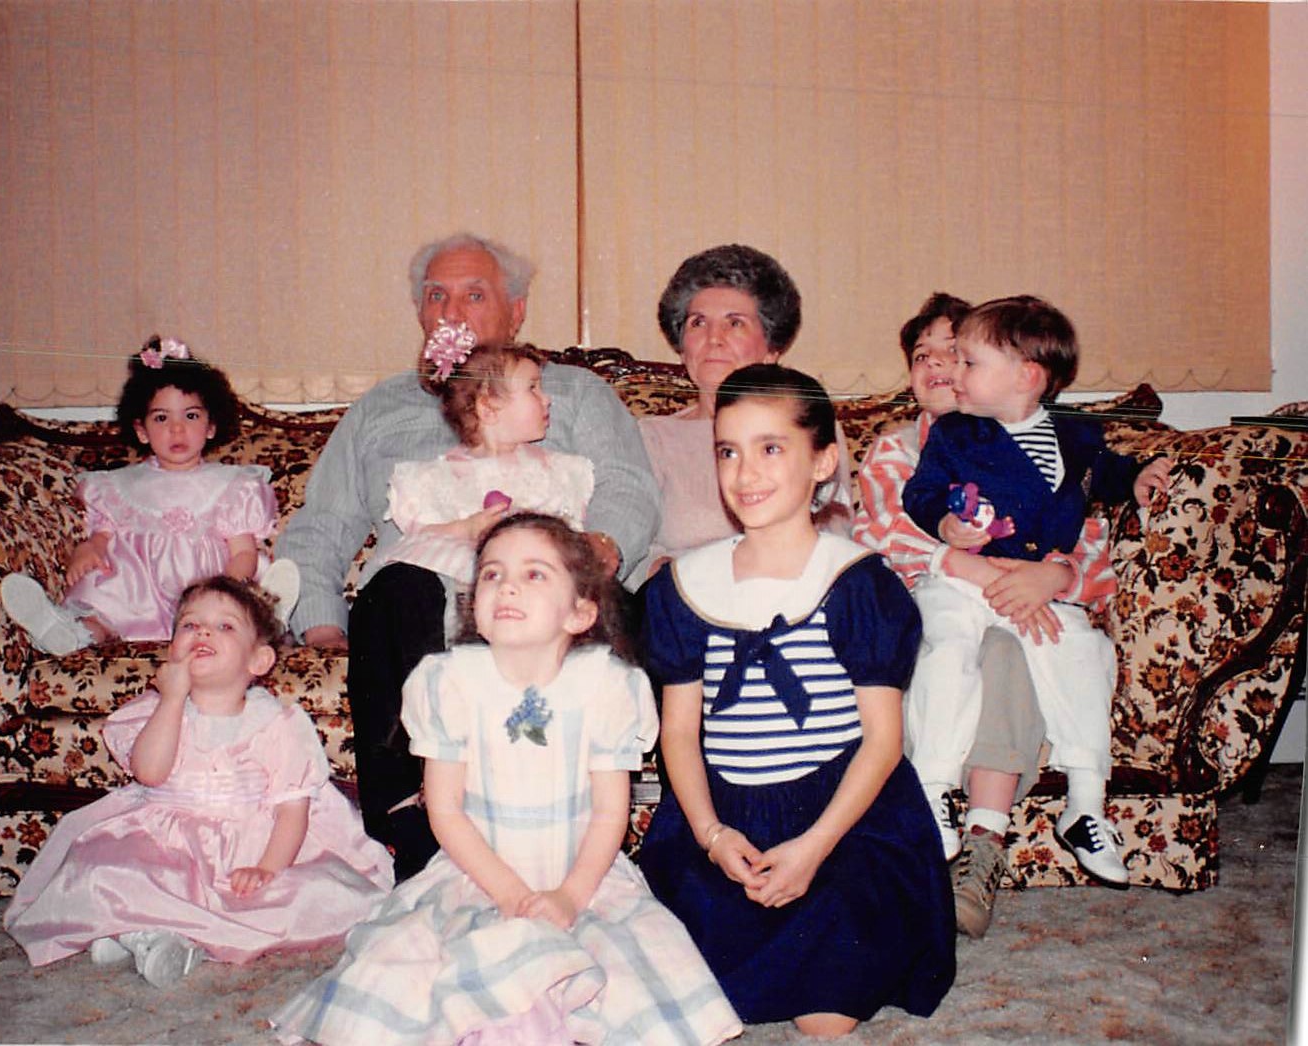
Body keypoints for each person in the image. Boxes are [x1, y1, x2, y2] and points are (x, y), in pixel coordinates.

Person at [272, 513, 741, 1045]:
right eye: (492, 574)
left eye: (534, 574)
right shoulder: (450, 682)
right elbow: (445, 810)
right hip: (479, 873)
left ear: (581, 611)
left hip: (583, 874)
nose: (507, 586)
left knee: (632, 972)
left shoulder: (606, 686)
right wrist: (510, 893)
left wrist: (569, 897)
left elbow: (611, 812)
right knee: (418, 971)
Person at [276, 232, 659, 878]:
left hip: (549, 580)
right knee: (396, 593)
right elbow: (322, 524)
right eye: (436, 297)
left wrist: (598, 550)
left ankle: (571, 826)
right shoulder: (380, 408)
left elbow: (628, 485)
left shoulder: (573, 393)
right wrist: (320, 623)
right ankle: (419, 833)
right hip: (421, 595)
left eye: (474, 295)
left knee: (600, 603)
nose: (450, 312)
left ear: (517, 311)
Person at [639, 364, 955, 1038]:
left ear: (823, 461)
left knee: (825, 1015)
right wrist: (712, 836)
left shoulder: (854, 582)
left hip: (841, 821)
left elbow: (883, 742)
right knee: (678, 983)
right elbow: (679, 733)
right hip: (725, 818)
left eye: (771, 448)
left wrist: (812, 849)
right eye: (728, 451)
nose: (745, 473)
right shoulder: (686, 587)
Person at [853, 292, 1119, 936]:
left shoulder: (1053, 441)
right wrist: (976, 567)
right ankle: (947, 809)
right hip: (943, 606)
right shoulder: (901, 449)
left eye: (956, 354)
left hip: (1026, 606)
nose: (940, 367)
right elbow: (882, 535)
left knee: (1036, 645)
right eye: (923, 356)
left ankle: (1010, 830)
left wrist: (1055, 575)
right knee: (961, 646)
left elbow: (1091, 544)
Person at [901, 295, 1172, 890]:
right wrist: (945, 524)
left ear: (1026, 377)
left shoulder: (1077, 436)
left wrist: (1139, 476)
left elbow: (1110, 473)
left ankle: (1085, 803)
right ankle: (932, 785)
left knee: (1083, 651)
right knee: (947, 649)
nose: (953, 371)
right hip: (964, 580)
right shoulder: (954, 433)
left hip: (1038, 589)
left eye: (969, 361)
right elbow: (920, 494)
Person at [3, 575, 393, 988]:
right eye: (190, 625)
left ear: (258, 660)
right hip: (163, 836)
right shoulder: (156, 709)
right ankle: (141, 934)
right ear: (172, 647)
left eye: (225, 626)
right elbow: (149, 773)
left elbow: (292, 810)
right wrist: (172, 699)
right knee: (104, 868)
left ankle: (147, 933)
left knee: (293, 898)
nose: (203, 632)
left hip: (247, 842)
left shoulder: (276, 723)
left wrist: (266, 868)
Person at [0, 336, 301, 655]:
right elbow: (103, 533)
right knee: (103, 601)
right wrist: (89, 549)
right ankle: (70, 633)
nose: (177, 429)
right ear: (142, 431)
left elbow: (243, 553)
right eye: (161, 418)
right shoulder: (118, 485)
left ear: (211, 426)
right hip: (135, 592)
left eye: (191, 416)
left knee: (231, 613)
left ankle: (267, 621)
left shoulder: (233, 485)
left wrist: (223, 589)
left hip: (208, 591)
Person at [635, 244, 852, 587]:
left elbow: (834, 532)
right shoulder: (651, 436)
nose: (713, 338)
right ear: (682, 347)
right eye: (698, 322)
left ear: (772, 348)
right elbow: (633, 550)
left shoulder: (806, 421)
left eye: (734, 323)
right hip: (687, 595)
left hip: (792, 590)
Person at [374, 332, 593, 635]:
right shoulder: (434, 480)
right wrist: (466, 529)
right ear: (488, 408)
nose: (547, 399)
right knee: (403, 590)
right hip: (453, 602)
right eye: (533, 388)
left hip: (535, 601)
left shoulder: (558, 472)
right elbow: (419, 541)